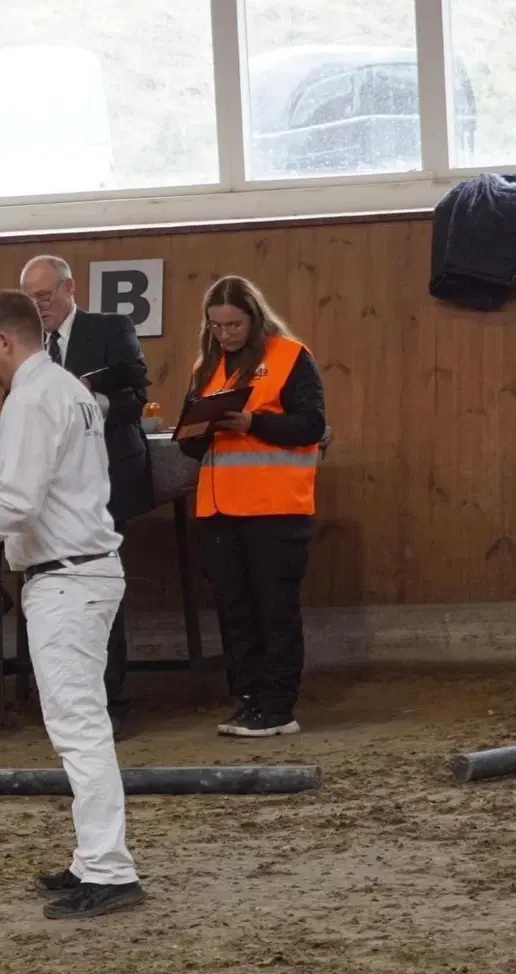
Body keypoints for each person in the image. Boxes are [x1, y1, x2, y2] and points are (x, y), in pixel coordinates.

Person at [0, 290, 144, 921]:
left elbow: (21, 506)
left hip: (66, 578)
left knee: (78, 726)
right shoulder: (62, 390)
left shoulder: (33, 400)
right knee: (78, 723)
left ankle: (109, 868)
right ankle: (93, 856)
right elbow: (21, 494)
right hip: (76, 572)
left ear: (6, 341)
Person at [176, 276, 325, 738]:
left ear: (254, 317)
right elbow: (190, 447)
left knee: (274, 610)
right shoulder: (206, 367)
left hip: (275, 508)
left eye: (234, 324)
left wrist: (251, 422)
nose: (226, 334)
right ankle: (247, 700)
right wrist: (196, 430)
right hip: (220, 509)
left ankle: (279, 707)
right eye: (217, 325)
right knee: (234, 611)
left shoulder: (291, 356)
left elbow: (311, 425)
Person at [19, 255, 153, 738]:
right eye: (30, 300)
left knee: (97, 591)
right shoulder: (30, 347)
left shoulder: (110, 326)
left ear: (69, 287)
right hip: (52, 488)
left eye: (45, 296)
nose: (39, 307)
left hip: (108, 480)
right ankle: (60, 698)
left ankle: (109, 700)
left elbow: (136, 391)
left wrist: (88, 407)